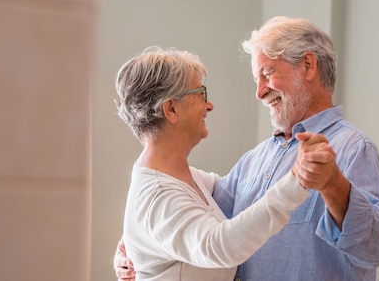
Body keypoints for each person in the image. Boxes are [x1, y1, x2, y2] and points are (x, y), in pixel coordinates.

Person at [115, 18, 379, 280]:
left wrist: (334, 185)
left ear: (308, 66)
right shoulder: (254, 161)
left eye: (267, 73)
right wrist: (137, 242)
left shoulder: (352, 148)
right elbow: (197, 214)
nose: (260, 91)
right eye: (256, 80)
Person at [114, 46, 336, 281]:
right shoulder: (158, 195)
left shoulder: (190, 180)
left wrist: (131, 240)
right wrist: (297, 181)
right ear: (171, 109)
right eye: (201, 94)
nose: (209, 106)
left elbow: (244, 194)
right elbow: (218, 245)